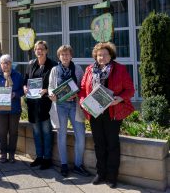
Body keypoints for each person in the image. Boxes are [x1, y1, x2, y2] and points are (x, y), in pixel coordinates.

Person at [79, 42, 134, 188]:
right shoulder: (90, 69)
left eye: (104, 54)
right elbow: (83, 89)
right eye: (99, 55)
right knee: (99, 144)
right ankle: (100, 173)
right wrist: (83, 102)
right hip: (95, 113)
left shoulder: (120, 69)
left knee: (112, 145)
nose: (101, 57)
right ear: (95, 56)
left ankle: (111, 177)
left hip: (112, 113)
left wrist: (120, 99)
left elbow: (130, 90)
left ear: (110, 55)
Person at [48, 45, 90, 177]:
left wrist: (77, 95)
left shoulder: (77, 69)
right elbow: (50, 87)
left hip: (74, 106)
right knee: (62, 135)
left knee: (80, 135)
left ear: (71, 56)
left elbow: (83, 87)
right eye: (62, 55)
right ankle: (64, 165)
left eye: (67, 54)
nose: (65, 57)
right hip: (60, 106)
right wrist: (51, 94)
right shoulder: (55, 70)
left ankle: (78, 165)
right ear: (59, 57)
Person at [23, 40, 57, 170]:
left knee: (47, 132)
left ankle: (47, 159)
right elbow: (25, 80)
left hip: (45, 105)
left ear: (46, 50)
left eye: (42, 48)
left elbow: (55, 84)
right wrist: (25, 87)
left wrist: (47, 90)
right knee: (37, 132)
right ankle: (39, 157)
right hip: (32, 104)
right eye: (37, 49)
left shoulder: (53, 65)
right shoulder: (31, 64)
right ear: (34, 51)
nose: (39, 51)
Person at [0, 54, 24, 163]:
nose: (5, 65)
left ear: (11, 64)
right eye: (3, 63)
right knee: (2, 132)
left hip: (14, 109)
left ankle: (12, 154)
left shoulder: (18, 75)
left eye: (7, 62)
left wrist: (15, 94)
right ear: (0, 65)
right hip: (0, 109)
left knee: (13, 132)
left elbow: (22, 90)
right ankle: (3, 153)